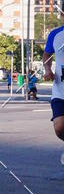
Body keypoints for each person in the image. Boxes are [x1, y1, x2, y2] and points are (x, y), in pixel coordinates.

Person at [42, 24, 64, 163]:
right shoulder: (55, 34)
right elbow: (47, 55)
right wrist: (48, 70)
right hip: (60, 90)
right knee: (60, 127)